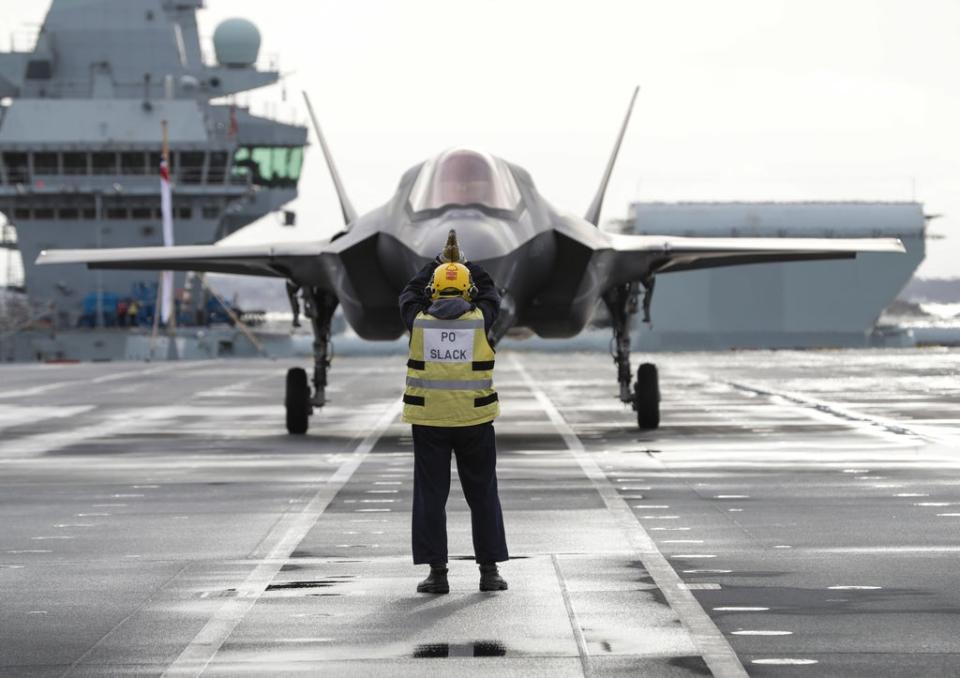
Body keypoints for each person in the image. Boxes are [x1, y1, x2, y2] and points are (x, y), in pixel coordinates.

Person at [399, 256, 509, 594]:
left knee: (431, 499)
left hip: (430, 422)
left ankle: (438, 574)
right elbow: (491, 292)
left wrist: (436, 263)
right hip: (474, 421)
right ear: (468, 289)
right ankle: (489, 572)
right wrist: (465, 262)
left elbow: (408, 293)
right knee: (483, 496)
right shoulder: (481, 319)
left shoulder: (417, 321)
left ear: (433, 289)